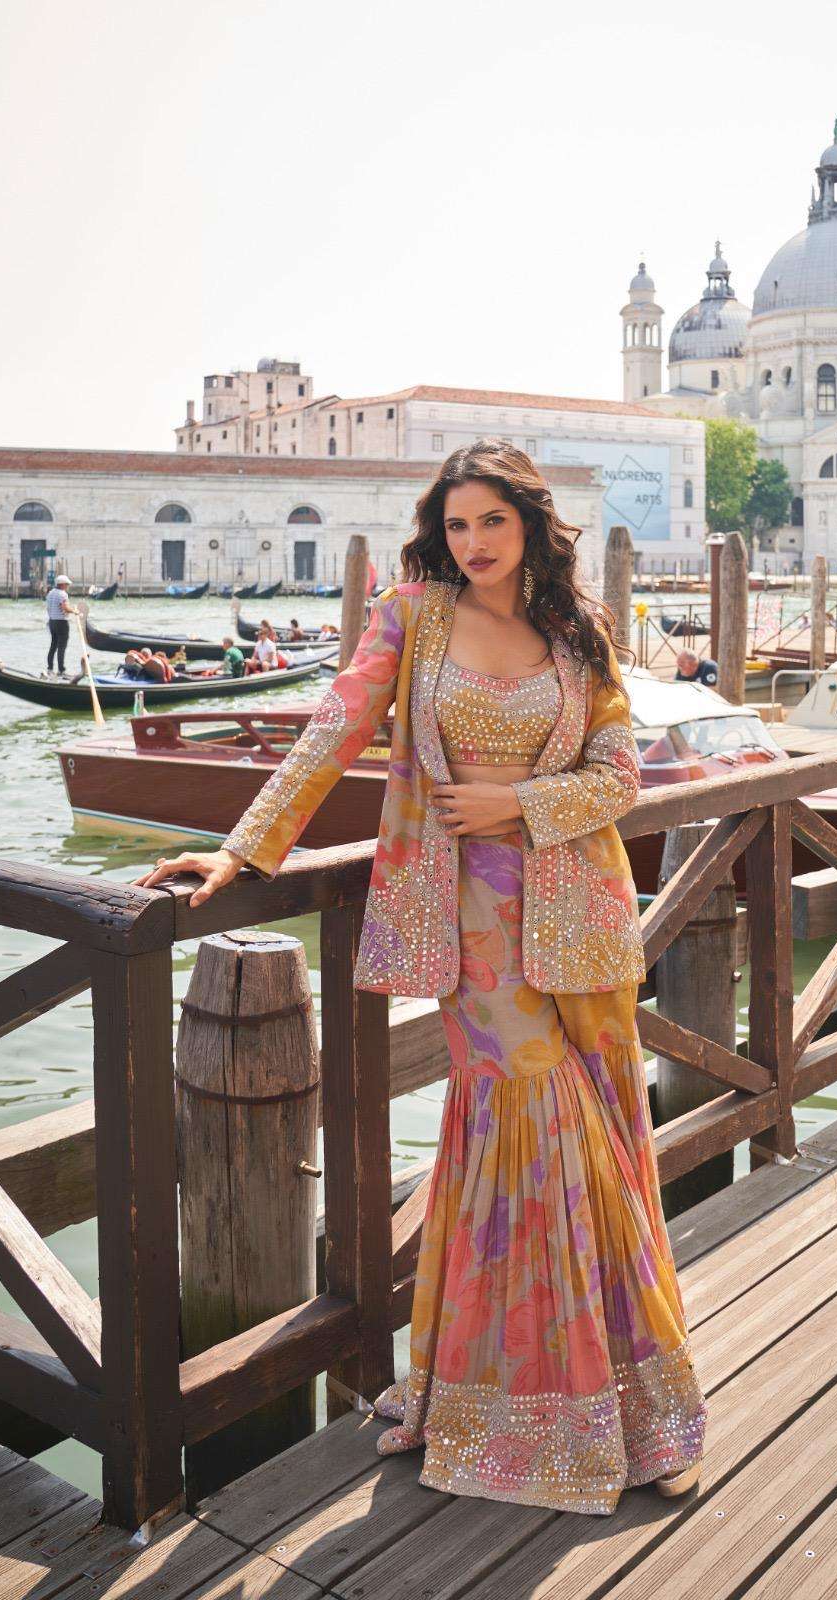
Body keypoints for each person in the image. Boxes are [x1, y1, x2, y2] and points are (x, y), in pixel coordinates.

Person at [132, 439, 707, 1516]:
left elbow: (620, 772)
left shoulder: (578, 633)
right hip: (470, 923)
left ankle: (632, 1409)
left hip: (580, 916)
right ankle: (520, 1409)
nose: (473, 542)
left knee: (607, 1139)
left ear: (530, 526)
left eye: (492, 521)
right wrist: (242, 851)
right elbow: (333, 727)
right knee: (534, 1133)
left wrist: (518, 804)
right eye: (456, 524)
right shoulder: (413, 617)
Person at [45, 575, 79, 674]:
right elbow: (65, 607)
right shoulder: (62, 594)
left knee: (53, 645)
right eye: (67, 584)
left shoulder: (50, 593)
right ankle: (61, 670)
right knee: (61, 647)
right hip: (61, 622)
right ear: (62, 584)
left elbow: (49, 608)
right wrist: (75, 611)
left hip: (52, 622)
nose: (67, 586)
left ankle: (50, 668)